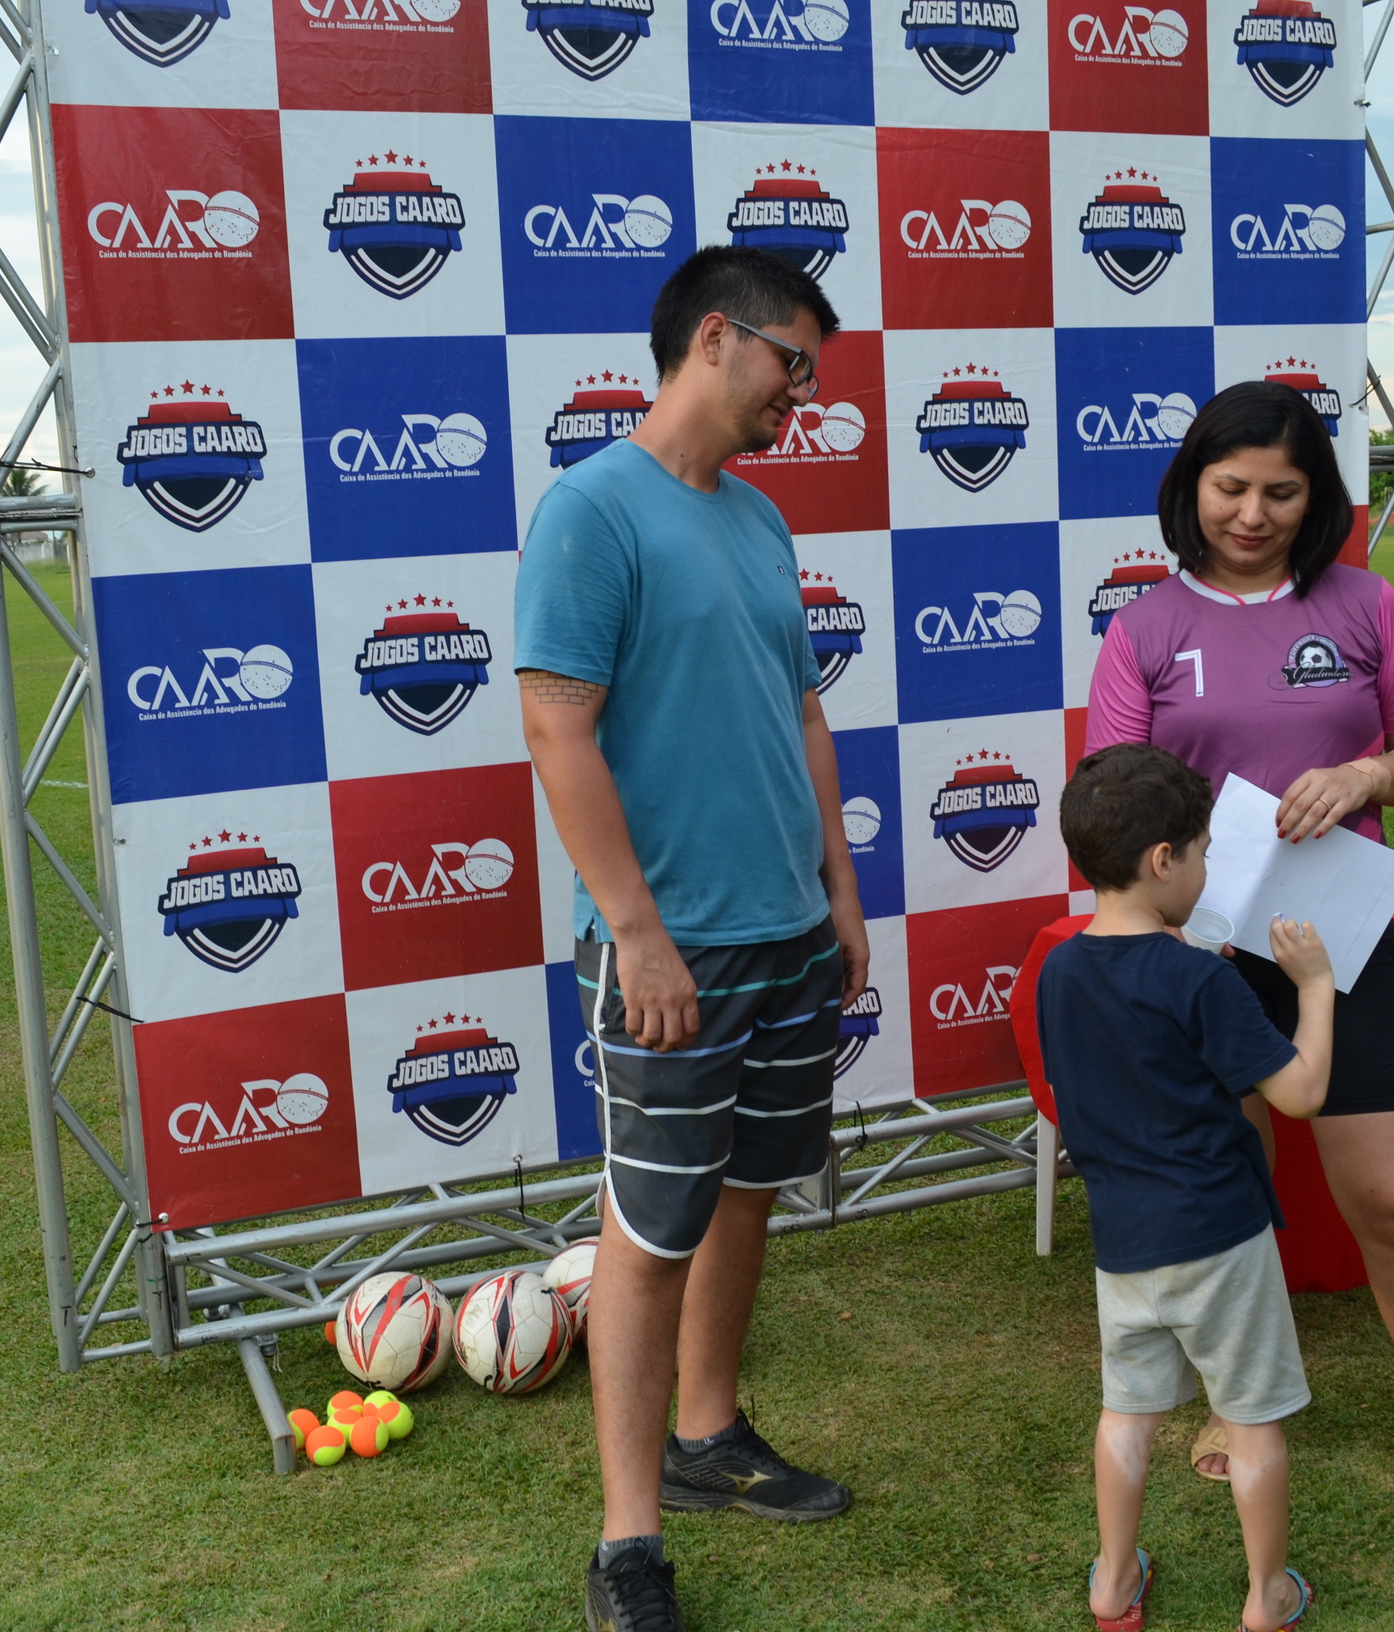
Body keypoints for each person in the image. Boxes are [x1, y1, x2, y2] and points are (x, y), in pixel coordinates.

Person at [1085, 380, 1394, 1540]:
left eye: (1280, 492)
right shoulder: (1143, 628)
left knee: (1392, 1196)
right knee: (1230, 1189)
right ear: (1190, 487)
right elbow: (1108, 796)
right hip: (1195, 956)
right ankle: (1235, 1400)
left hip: (1337, 942)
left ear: (1314, 496)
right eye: (1230, 488)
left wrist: (1368, 773)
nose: (1252, 514)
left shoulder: (1364, 602)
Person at [514, 246, 869, 1632]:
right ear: (715, 339)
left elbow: (803, 714)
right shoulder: (590, 509)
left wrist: (840, 892)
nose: (804, 392)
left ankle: (708, 1436)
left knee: (748, 1191)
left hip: (788, 932)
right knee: (648, 1230)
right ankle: (628, 1543)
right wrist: (637, 933)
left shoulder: (761, 517)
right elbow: (558, 733)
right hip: (674, 950)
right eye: (793, 363)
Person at [1040, 743, 1334, 1632]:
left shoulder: (1057, 969)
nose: (1209, 868)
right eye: (1204, 852)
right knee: (1251, 1423)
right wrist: (1315, 987)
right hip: (1220, 1235)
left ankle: (1113, 1583)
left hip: (1123, 1242)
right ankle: (1266, 1596)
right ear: (1164, 861)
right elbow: (1300, 1093)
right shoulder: (1202, 977)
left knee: (1126, 1415)